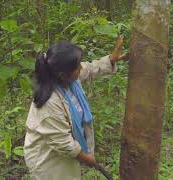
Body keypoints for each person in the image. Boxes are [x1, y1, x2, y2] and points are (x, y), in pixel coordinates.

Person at [24, 36, 127, 180]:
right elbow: (65, 144)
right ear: (63, 74)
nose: (81, 67)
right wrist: (87, 158)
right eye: (77, 66)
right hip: (48, 161)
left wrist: (111, 59)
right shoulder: (50, 103)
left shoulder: (68, 78)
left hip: (63, 154)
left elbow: (90, 69)